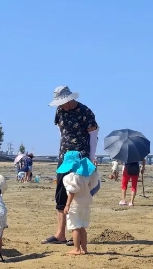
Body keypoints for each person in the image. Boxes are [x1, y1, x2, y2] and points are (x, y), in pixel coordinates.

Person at [41, 86, 99, 246]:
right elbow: (61, 132)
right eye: (60, 103)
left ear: (71, 98)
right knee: (60, 193)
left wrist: (92, 157)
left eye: (65, 102)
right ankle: (60, 234)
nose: (63, 106)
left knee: (77, 193)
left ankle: (76, 234)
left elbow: (93, 136)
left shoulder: (85, 111)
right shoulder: (59, 111)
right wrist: (62, 151)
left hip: (81, 156)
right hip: (64, 157)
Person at [58, 151, 100, 255]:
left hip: (75, 205)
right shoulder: (86, 176)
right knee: (82, 227)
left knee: (74, 227)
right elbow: (94, 184)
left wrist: (67, 205)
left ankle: (76, 248)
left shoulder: (70, 177)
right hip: (85, 204)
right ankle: (84, 248)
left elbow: (72, 192)